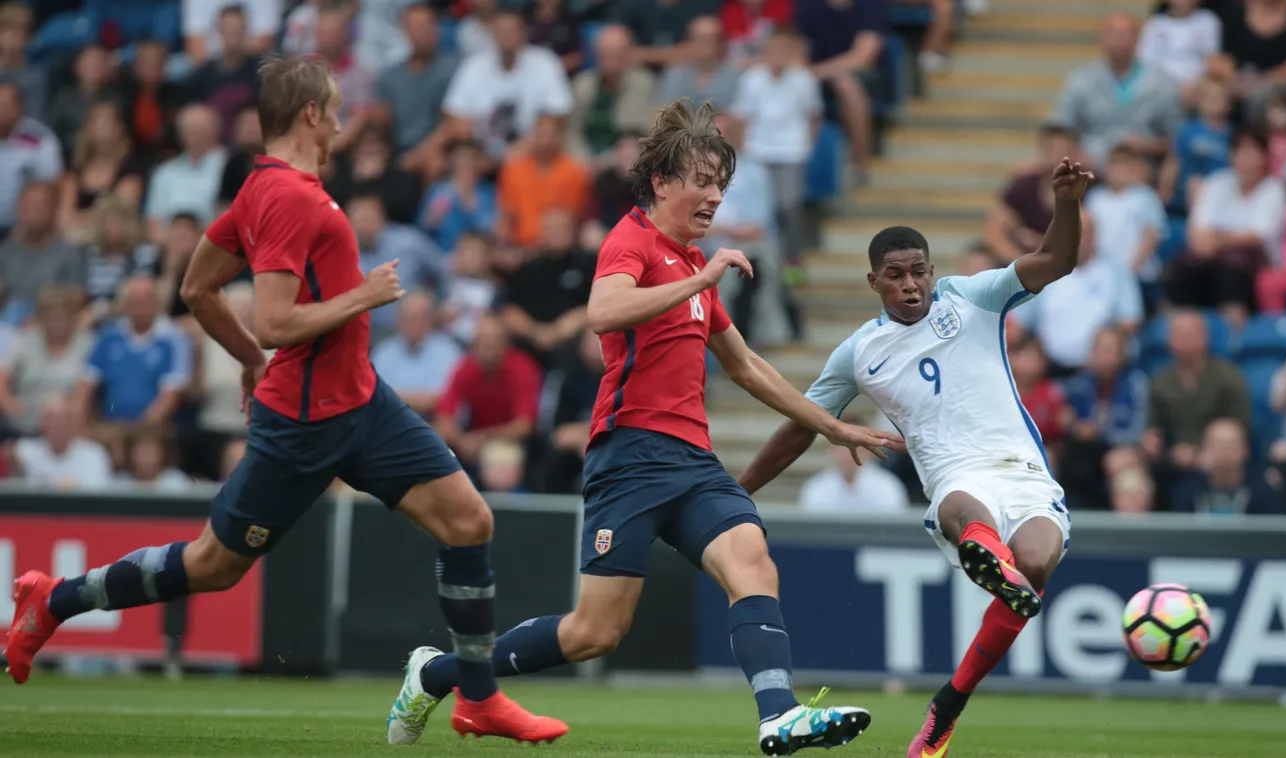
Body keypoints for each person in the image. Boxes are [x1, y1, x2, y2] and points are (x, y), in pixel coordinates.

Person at [2, 54, 567, 746]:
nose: (341, 121)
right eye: (333, 107)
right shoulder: (290, 198)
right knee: (214, 566)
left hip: (361, 399)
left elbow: (197, 288)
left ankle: (477, 697)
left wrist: (245, 361)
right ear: (309, 113)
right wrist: (357, 298)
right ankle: (52, 599)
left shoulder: (261, 188)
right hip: (304, 424)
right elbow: (272, 320)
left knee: (468, 520)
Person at [400, 99, 899, 756]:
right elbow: (603, 312)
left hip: (692, 459)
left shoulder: (695, 264)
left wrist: (830, 426)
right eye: (701, 180)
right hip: (628, 455)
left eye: (720, 183)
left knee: (752, 562)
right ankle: (435, 673)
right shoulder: (630, 240)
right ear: (662, 182)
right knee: (593, 634)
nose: (714, 195)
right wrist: (707, 273)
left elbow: (746, 366)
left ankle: (777, 715)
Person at [737, 158, 1093, 758]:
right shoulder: (860, 353)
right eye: (896, 276)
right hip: (956, 477)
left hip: (1024, 472)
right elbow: (802, 425)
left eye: (919, 272)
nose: (911, 285)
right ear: (873, 282)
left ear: (933, 270)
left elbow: (1055, 261)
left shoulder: (974, 295)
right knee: (960, 506)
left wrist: (1067, 202)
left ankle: (947, 706)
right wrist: (737, 491)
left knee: (1034, 564)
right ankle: (985, 550)